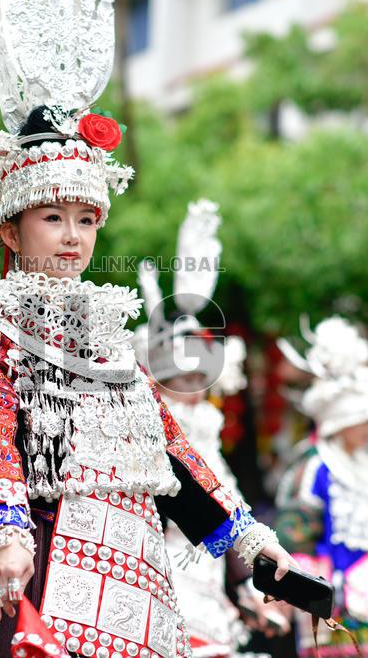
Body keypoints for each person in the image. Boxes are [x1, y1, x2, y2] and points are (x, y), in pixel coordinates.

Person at [0, 0, 295, 656]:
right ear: (10, 227)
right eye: (53, 218)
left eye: (87, 219)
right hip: (34, 579)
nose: (73, 237)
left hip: (133, 585)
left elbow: (170, 456)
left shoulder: (113, 341)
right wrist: (7, 535)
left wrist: (249, 541)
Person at [133, 199, 287, 656]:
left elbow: (223, 506)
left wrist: (247, 583)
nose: (192, 391)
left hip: (212, 572)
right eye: (180, 381)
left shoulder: (209, 436)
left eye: (199, 380)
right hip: (162, 573)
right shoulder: (149, 430)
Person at [275, 317, 368, 657]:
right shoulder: (314, 466)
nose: (367, 431)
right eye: (361, 423)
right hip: (332, 595)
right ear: (341, 421)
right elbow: (294, 537)